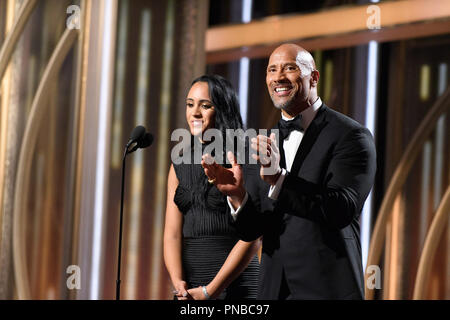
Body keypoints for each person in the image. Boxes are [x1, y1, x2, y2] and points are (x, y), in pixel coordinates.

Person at [201, 44, 377, 299]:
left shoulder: (351, 136)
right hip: (273, 290)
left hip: (327, 290)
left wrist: (279, 180)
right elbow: (253, 230)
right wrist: (238, 196)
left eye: (290, 68)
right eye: (272, 70)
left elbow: (342, 209)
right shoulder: (263, 140)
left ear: (313, 77)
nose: (278, 77)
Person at [164, 74, 260, 300]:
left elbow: (253, 238)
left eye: (205, 106)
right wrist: (179, 283)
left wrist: (212, 290)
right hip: (191, 292)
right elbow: (172, 234)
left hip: (238, 289)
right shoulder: (178, 164)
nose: (195, 113)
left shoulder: (245, 158)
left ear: (223, 109)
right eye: (190, 105)